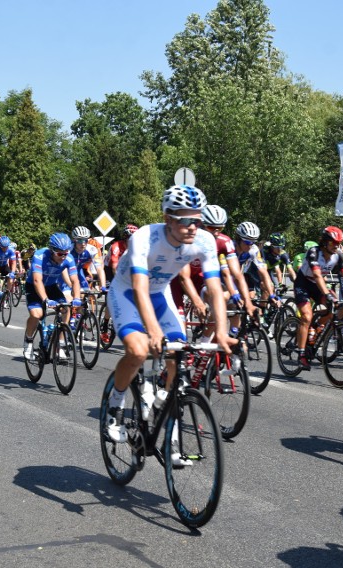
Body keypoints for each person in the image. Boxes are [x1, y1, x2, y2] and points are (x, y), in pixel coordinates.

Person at [104, 185, 233, 467]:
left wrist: (221, 330)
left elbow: (214, 287)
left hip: (159, 294)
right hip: (127, 291)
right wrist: (153, 330)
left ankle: (169, 433)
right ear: (168, 219)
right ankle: (116, 405)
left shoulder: (204, 241)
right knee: (138, 351)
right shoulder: (145, 237)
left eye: (196, 220)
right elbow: (139, 286)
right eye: (185, 220)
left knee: (179, 356)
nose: (192, 227)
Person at [292, 226, 343, 371]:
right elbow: (317, 275)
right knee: (306, 317)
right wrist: (327, 294)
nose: (337, 246)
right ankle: (301, 354)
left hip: (318, 285)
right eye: (334, 242)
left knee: (334, 310)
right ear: (324, 242)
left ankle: (315, 327)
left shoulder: (338, 254)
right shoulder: (314, 252)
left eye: (339, 243)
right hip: (304, 283)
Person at [22, 232, 81, 359]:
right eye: (60, 254)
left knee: (66, 309)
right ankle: (28, 340)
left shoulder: (68, 258)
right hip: (34, 286)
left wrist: (76, 297)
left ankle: (59, 344)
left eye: (66, 253)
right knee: (36, 314)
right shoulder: (40, 256)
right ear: (52, 250)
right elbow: (37, 280)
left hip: (52, 286)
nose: (64, 257)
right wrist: (46, 300)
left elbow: (75, 280)